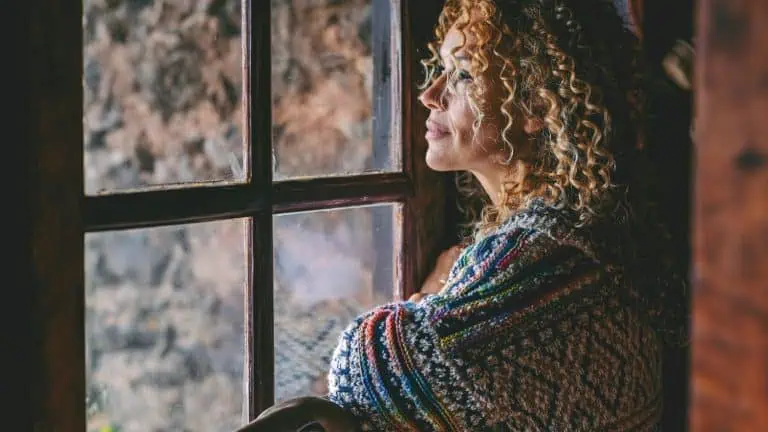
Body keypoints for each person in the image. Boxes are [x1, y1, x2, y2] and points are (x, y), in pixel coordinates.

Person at [245, 0, 686, 430]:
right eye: (441, 69)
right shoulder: (584, 230)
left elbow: (369, 373)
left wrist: (424, 299)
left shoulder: (541, 250)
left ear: (535, 103)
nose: (429, 93)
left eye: (464, 74)